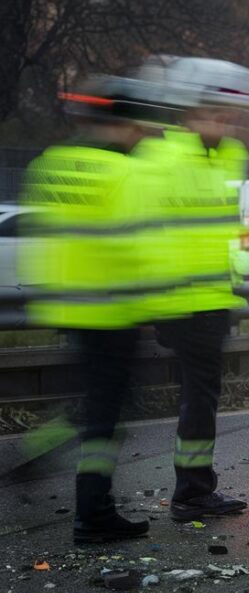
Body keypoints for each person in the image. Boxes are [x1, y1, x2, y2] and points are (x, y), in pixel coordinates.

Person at [19, 76, 174, 543]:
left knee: (97, 406)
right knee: (106, 418)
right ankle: (93, 510)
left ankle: (45, 453)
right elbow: (141, 248)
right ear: (124, 123)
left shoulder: (52, 165)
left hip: (68, 307)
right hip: (113, 312)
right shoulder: (125, 174)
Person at [135, 57, 249, 521]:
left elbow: (233, 227)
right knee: (198, 398)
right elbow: (143, 231)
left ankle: (192, 487)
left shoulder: (233, 155)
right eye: (212, 112)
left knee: (200, 398)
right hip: (178, 302)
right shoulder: (161, 160)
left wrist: (235, 278)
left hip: (213, 301)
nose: (223, 122)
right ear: (188, 111)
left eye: (228, 115)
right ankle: (191, 491)